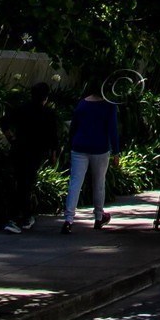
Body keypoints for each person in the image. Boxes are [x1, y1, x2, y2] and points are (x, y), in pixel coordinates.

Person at [2, 82, 59, 234]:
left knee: (20, 182)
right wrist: (53, 154)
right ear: (45, 97)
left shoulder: (22, 109)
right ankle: (20, 217)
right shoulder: (48, 113)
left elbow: (4, 121)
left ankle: (21, 216)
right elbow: (53, 136)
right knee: (25, 184)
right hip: (35, 153)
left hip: (19, 149)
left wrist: (11, 138)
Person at [62, 88, 121, 231]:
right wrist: (116, 151)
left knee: (75, 182)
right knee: (99, 182)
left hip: (79, 146)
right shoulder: (109, 105)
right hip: (100, 148)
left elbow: (74, 127)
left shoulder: (82, 104)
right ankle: (98, 216)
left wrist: (71, 144)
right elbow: (112, 129)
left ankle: (69, 220)